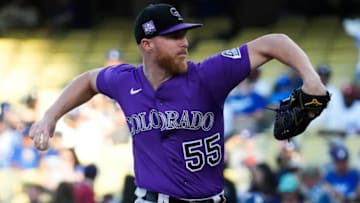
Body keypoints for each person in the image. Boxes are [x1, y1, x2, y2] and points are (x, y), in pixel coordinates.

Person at [29, 3, 328, 202]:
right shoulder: (124, 81)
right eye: (173, 37)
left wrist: (311, 81)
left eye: (184, 34)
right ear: (147, 44)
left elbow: (273, 42)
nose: (184, 42)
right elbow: (87, 80)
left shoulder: (210, 74)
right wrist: (50, 117)